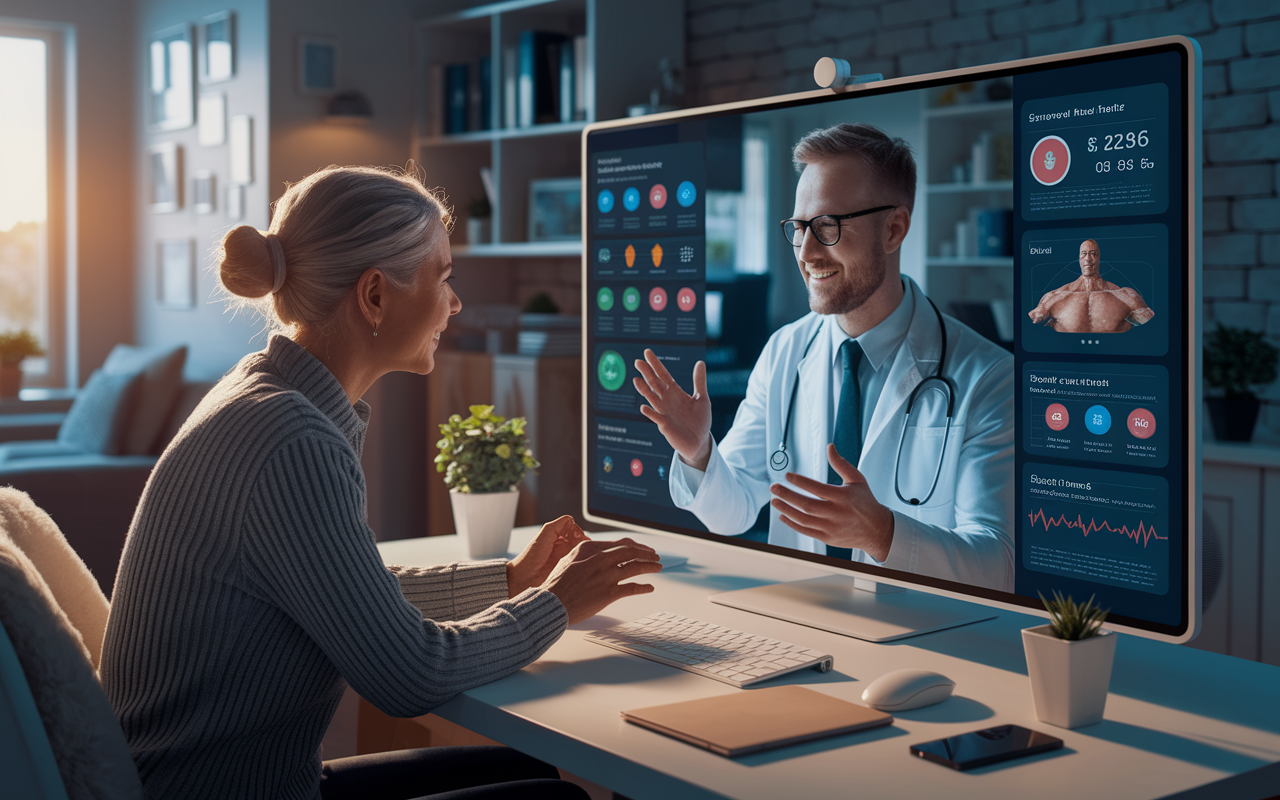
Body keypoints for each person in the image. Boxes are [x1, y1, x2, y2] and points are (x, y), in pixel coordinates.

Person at [101, 165, 661, 800]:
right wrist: (556, 604)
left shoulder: (263, 393)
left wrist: (507, 581)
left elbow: (349, 594)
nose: (455, 303)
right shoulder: (292, 439)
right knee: (550, 797)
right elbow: (408, 675)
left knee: (530, 773)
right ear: (374, 296)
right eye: (442, 277)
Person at [633, 123, 1015, 591]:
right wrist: (697, 452)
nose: (807, 252)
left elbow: (998, 563)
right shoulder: (784, 352)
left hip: (927, 634)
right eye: (798, 227)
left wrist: (882, 533)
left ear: (894, 229)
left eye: (828, 226)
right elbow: (730, 514)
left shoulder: (990, 378)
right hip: (803, 621)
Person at [1027, 238, 1155, 333]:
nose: (1088, 259)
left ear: (1099, 257)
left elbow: (1153, 330)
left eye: (1093, 254)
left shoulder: (1126, 296)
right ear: (1079, 258)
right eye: (1084, 254)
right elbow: (1032, 331)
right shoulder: (1054, 297)